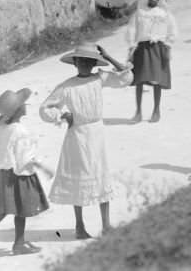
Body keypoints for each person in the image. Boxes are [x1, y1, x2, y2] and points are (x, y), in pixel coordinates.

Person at [39, 43, 133, 239]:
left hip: (96, 133)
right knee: (78, 178)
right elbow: (45, 108)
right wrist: (62, 115)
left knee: (101, 174)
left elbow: (126, 78)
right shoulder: (67, 86)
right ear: (74, 63)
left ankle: (106, 225)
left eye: (88, 61)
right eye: (80, 60)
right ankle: (79, 226)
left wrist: (108, 55)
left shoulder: (100, 78)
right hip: (77, 135)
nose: (84, 64)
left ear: (93, 63)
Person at [0, 88, 52, 255]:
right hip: (17, 175)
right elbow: (25, 157)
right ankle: (19, 243)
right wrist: (42, 166)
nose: (25, 105)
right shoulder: (19, 131)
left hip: (2, 172)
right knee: (19, 210)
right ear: (17, 111)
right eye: (23, 104)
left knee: (4, 209)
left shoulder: (1, 125)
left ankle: (20, 242)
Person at [125, 0, 178, 123]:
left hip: (158, 48)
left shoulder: (164, 13)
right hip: (142, 48)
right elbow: (131, 30)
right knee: (139, 80)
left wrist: (167, 46)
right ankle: (138, 111)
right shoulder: (140, 13)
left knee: (157, 80)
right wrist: (131, 47)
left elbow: (172, 31)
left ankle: (156, 110)